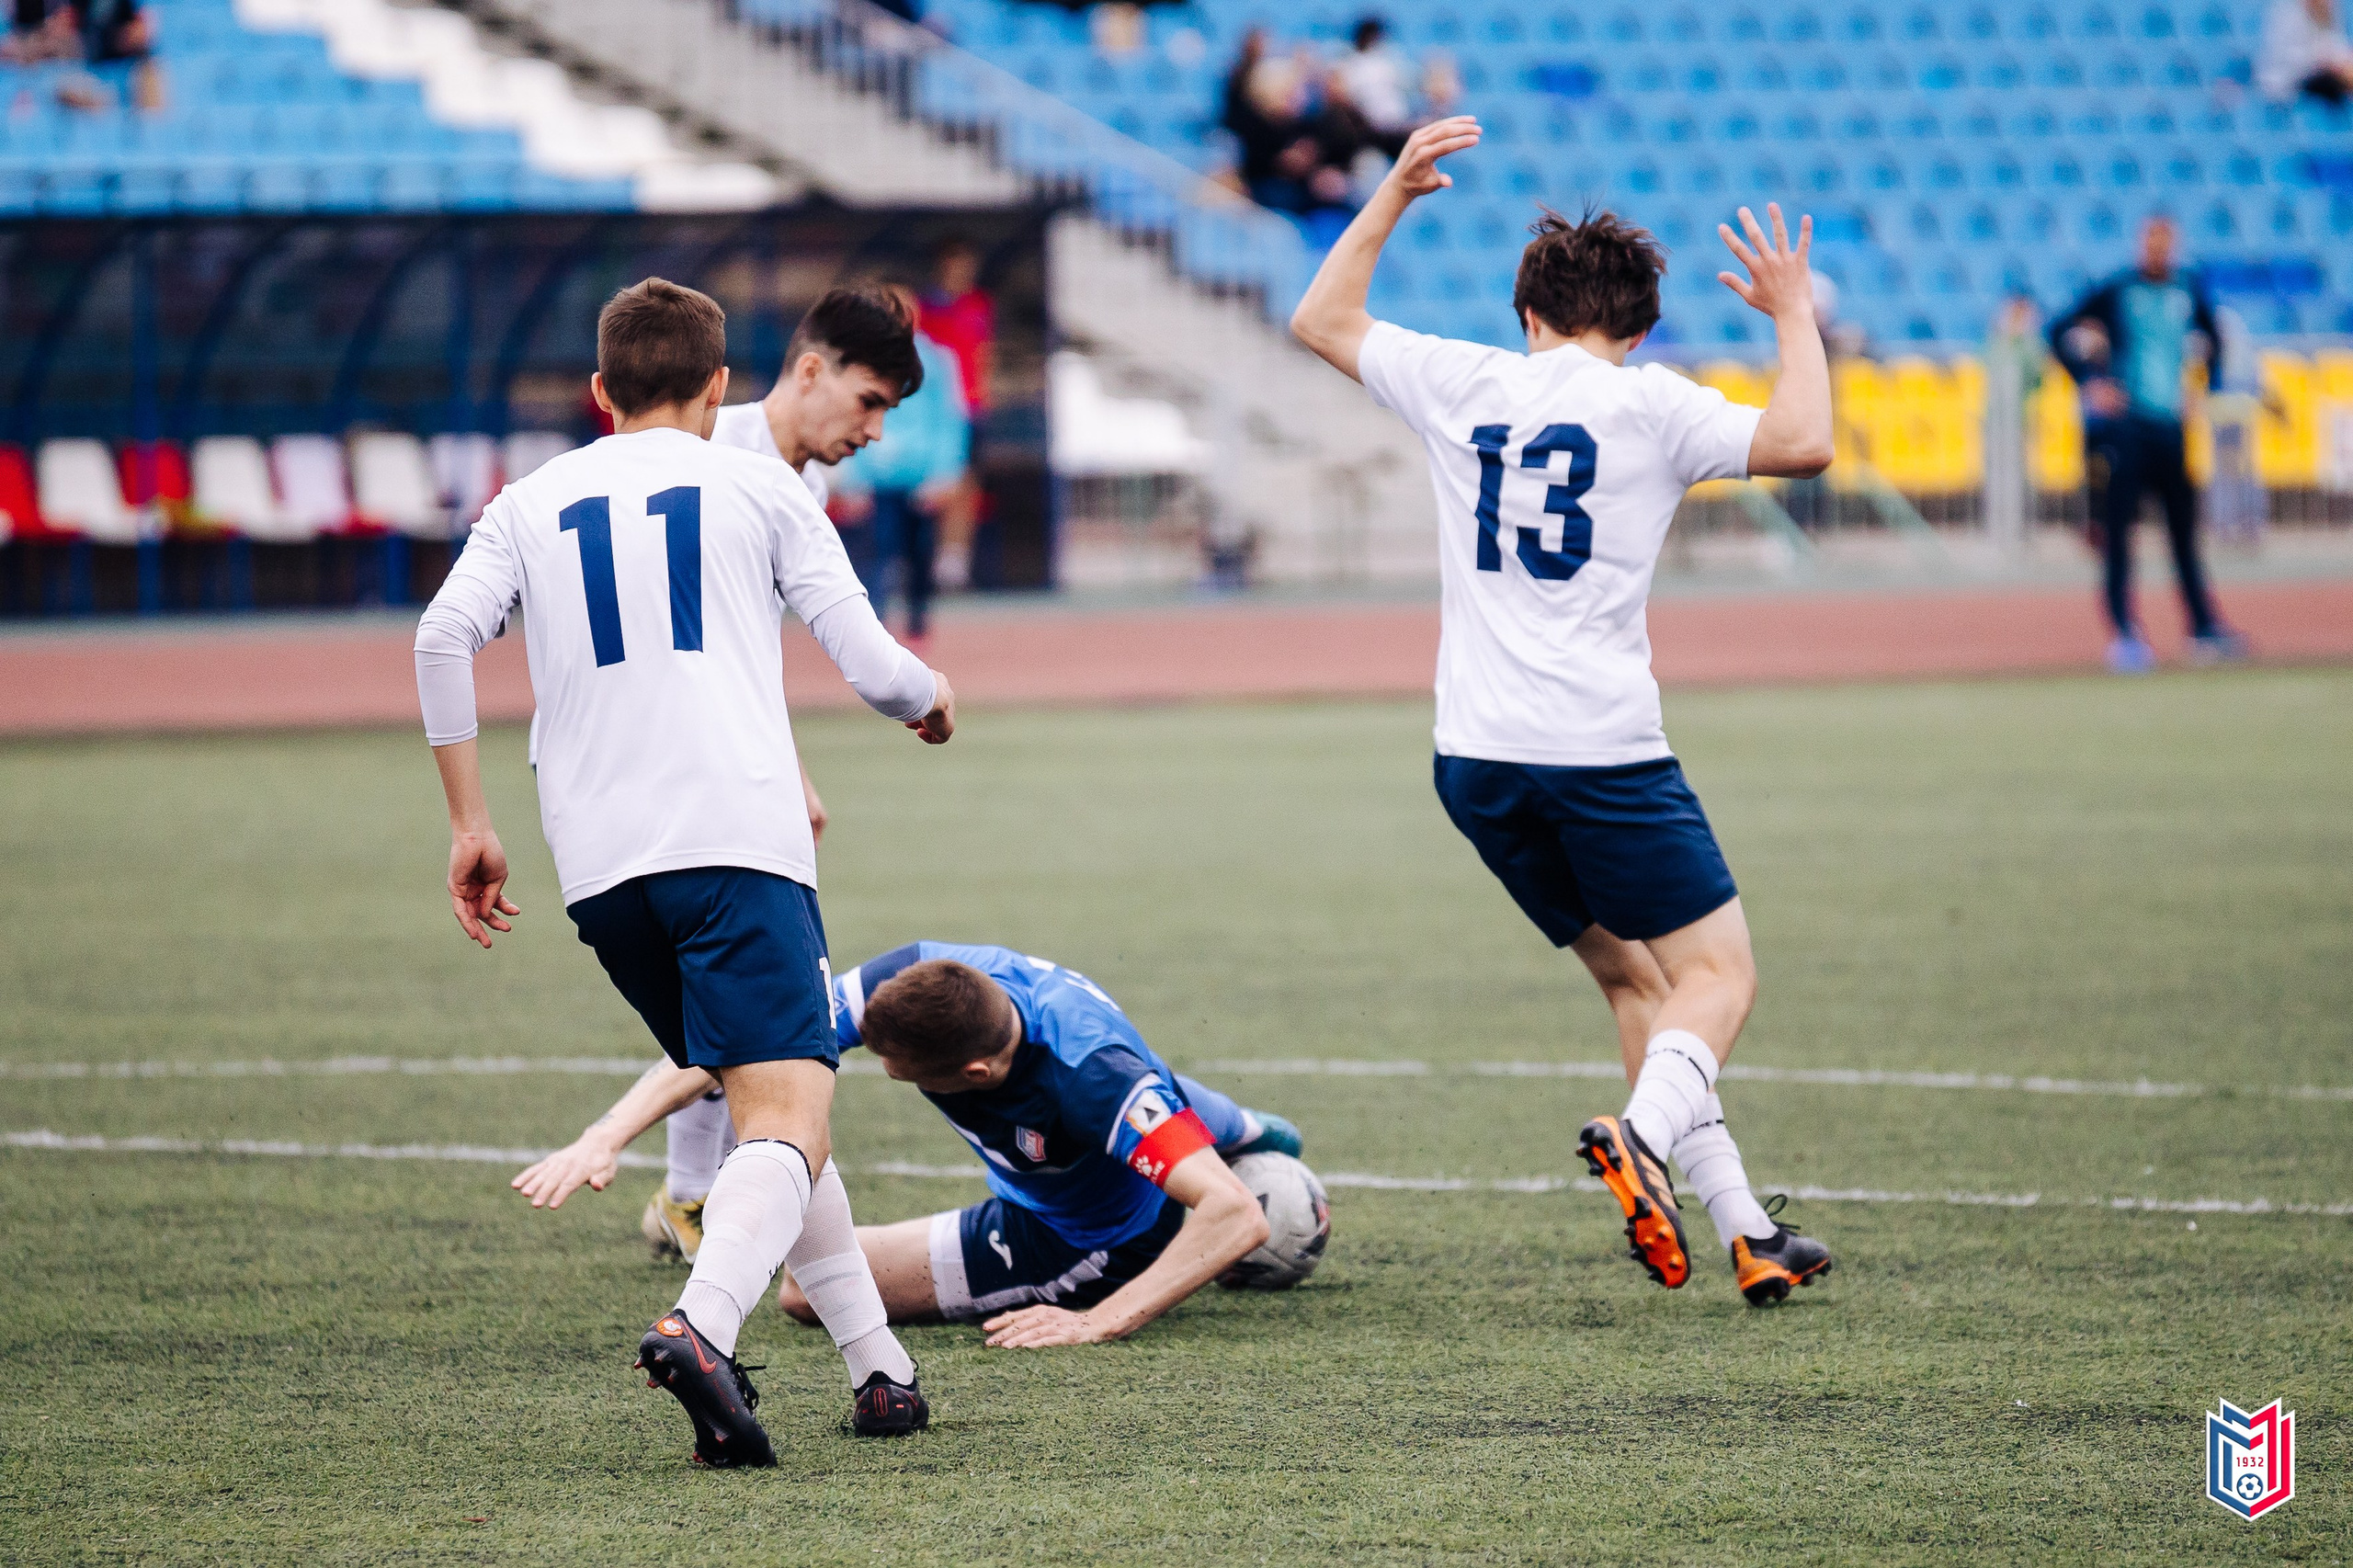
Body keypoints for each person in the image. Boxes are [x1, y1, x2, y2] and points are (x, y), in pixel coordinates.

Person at [1289, 119, 1838, 1307]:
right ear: (1637, 329)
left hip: (1475, 762)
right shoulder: (1653, 405)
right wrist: (1792, 309)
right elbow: (1805, 441)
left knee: (1639, 983)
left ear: (1526, 312)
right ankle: (1643, 1141)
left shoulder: (1464, 378)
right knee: (1718, 977)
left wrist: (1388, 193)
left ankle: (1747, 1227)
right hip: (1600, 752)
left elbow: (1320, 320)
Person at [414, 278, 959, 1467]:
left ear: (599, 392)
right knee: (789, 1112)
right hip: (733, 843)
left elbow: (442, 636)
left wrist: (470, 824)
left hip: (601, 871)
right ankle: (702, 1328)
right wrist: (932, 700)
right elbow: (875, 667)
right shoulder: (760, 481)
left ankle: (881, 1372)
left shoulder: (527, 499)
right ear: (722, 388)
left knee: (775, 1105)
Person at [540, 942, 1305, 1345]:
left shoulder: (1091, 1081)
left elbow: (1238, 1215)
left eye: (897, 1071)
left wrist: (1103, 1319)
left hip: (1089, 1237)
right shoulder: (916, 977)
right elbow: (748, 1042)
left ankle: (1227, 1151)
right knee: (1243, 1131)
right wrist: (605, 1136)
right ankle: (1251, 1131)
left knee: (807, 1294)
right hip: (1108, 1108)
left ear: (974, 1072)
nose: (884, 1071)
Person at [2046, 216, 2247, 673]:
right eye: (2151, 241)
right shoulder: (2119, 290)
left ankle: (2202, 627)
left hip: (2170, 429)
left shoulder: (2186, 290)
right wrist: (2088, 382)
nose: (2158, 250)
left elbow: (2215, 338)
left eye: (2166, 242)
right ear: (2141, 245)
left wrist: (2205, 388)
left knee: (2183, 535)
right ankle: (2125, 634)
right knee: (2120, 536)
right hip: (2127, 429)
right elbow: (2057, 331)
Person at [831, 297, 970, 647]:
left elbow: (951, 419)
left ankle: (917, 625)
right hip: (877, 477)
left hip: (920, 478)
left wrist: (944, 473)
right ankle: (872, 629)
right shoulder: (859, 363)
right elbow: (850, 416)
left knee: (919, 554)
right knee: (877, 554)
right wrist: (852, 477)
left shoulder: (938, 361)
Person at [917, 238, 995, 591]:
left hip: (965, 411)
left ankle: (952, 562)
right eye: (955, 266)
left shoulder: (979, 305)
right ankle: (914, 557)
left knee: (964, 483)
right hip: (927, 412)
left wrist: (982, 395)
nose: (962, 274)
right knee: (924, 485)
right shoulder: (923, 308)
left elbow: (983, 353)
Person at [2258, 0, 2353, 104]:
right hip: (2291, 83)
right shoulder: (2288, 15)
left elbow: (2336, 43)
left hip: (2319, 76)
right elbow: (2285, 60)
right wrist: (2323, 60)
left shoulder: (2328, 11)